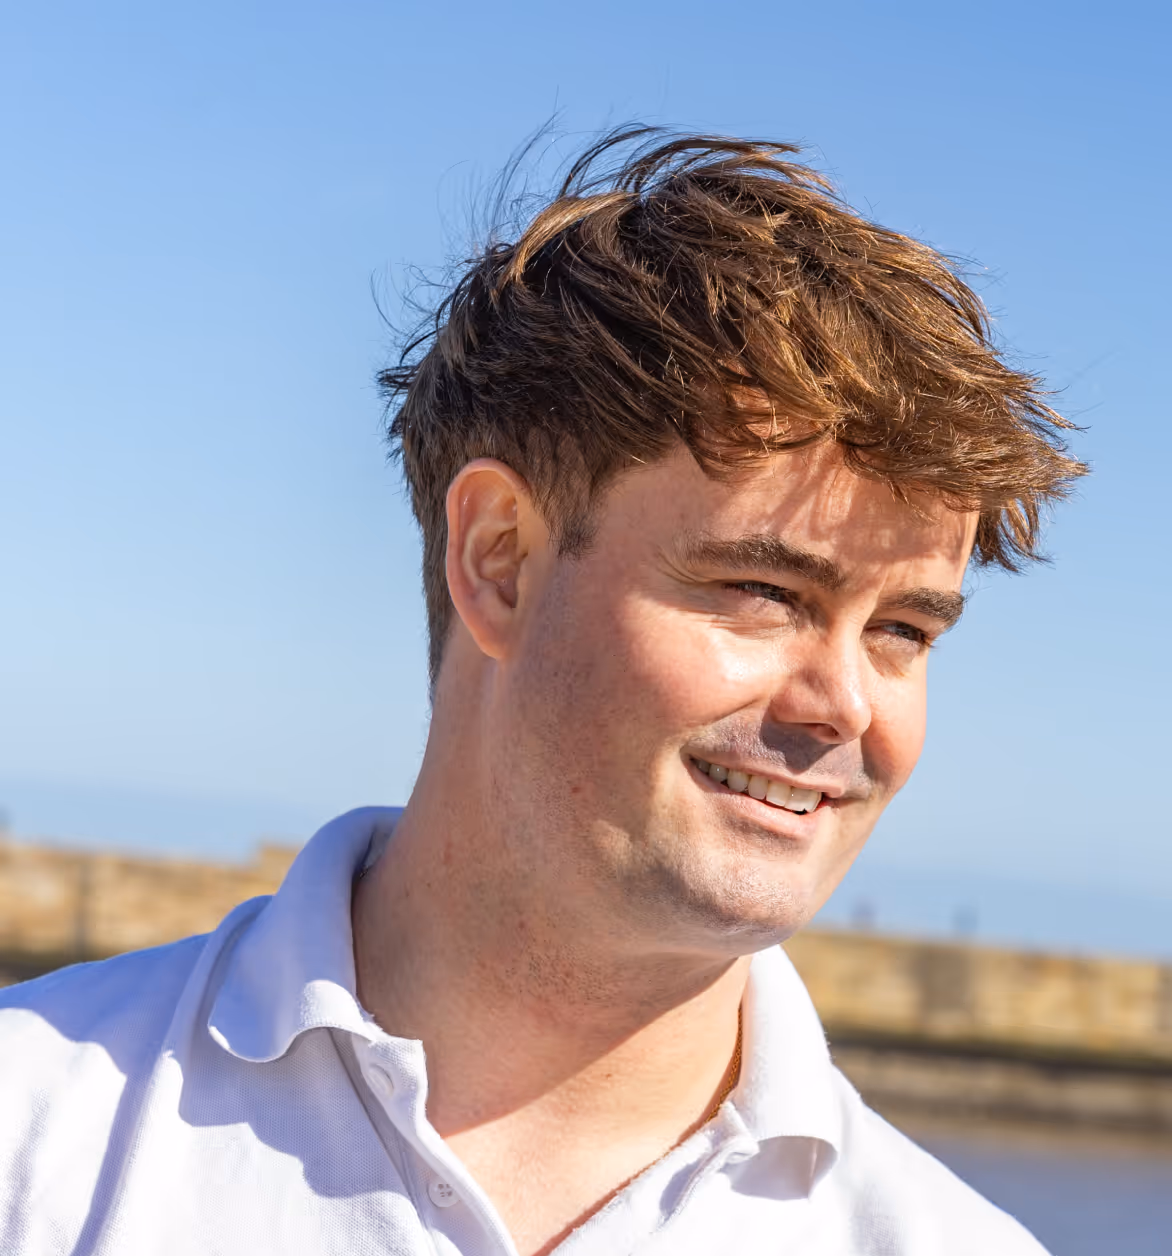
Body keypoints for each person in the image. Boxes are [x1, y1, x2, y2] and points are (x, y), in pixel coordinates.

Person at [0, 129, 1084, 1255]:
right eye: (765, 591)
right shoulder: (30, 1136)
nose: (845, 704)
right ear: (499, 561)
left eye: (903, 630)